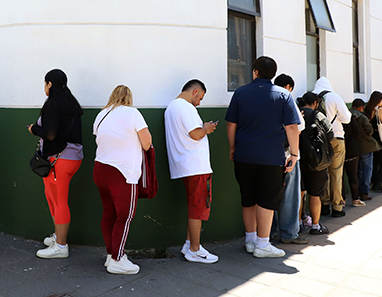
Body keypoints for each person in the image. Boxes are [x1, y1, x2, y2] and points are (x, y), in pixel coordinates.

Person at [225, 56, 300, 259]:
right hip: (271, 157)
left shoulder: (240, 92)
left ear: (255, 72)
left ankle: (250, 240)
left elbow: (231, 124)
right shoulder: (284, 95)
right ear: (273, 74)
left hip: (243, 155)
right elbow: (291, 126)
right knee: (267, 200)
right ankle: (263, 244)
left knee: (248, 198)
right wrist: (294, 153)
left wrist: (232, 148)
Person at [93, 85, 151, 275]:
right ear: (129, 98)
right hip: (123, 173)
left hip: (100, 169)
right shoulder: (133, 113)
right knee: (125, 216)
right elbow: (147, 142)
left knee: (108, 214)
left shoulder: (101, 114)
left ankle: (111, 255)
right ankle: (118, 259)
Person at [28, 69, 83, 259]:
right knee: (52, 197)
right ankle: (58, 236)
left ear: (49, 84)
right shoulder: (71, 103)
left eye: (45, 83)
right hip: (72, 158)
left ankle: (61, 245)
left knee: (58, 201)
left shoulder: (52, 104)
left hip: (59, 159)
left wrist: (34, 129)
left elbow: (50, 134)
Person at [164, 79, 219, 263]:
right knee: (198, 209)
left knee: (194, 207)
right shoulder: (186, 108)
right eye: (200, 98)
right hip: (196, 166)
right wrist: (207, 128)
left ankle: (189, 245)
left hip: (183, 165)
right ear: (195, 91)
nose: (199, 103)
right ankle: (195, 249)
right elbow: (195, 134)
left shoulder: (171, 108)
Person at [270, 74, 307, 245]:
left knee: (269, 195)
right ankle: (289, 233)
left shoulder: (267, 99)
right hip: (288, 155)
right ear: (288, 87)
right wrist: (294, 154)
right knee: (290, 196)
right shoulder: (287, 99)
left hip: (269, 155)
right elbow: (297, 127)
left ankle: (268, 232)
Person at [311, 77, 351, 218]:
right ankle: (337, 207)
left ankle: (324, 204)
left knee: (323, 172)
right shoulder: (334, 97)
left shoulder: (313, 99)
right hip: (336, 138)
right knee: (336, 173)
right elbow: (347, 119)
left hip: (320, 141)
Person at [299, 92, 334, 235]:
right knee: (315, 195)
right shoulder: (319, 115)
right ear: (315, 103)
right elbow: (330, 134)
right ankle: (315, 226)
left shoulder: (297, 113)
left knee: (300, 193)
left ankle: (298, 224)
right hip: (316, 160)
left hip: (298, 159)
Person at [345, 99, 373, 205]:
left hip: (347, 148)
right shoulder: (361, 117)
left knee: (356, 171)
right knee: (366, 169)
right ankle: (363, 193)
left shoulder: (345, 114)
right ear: (361, 108)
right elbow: (368, 131)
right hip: (361, 146)